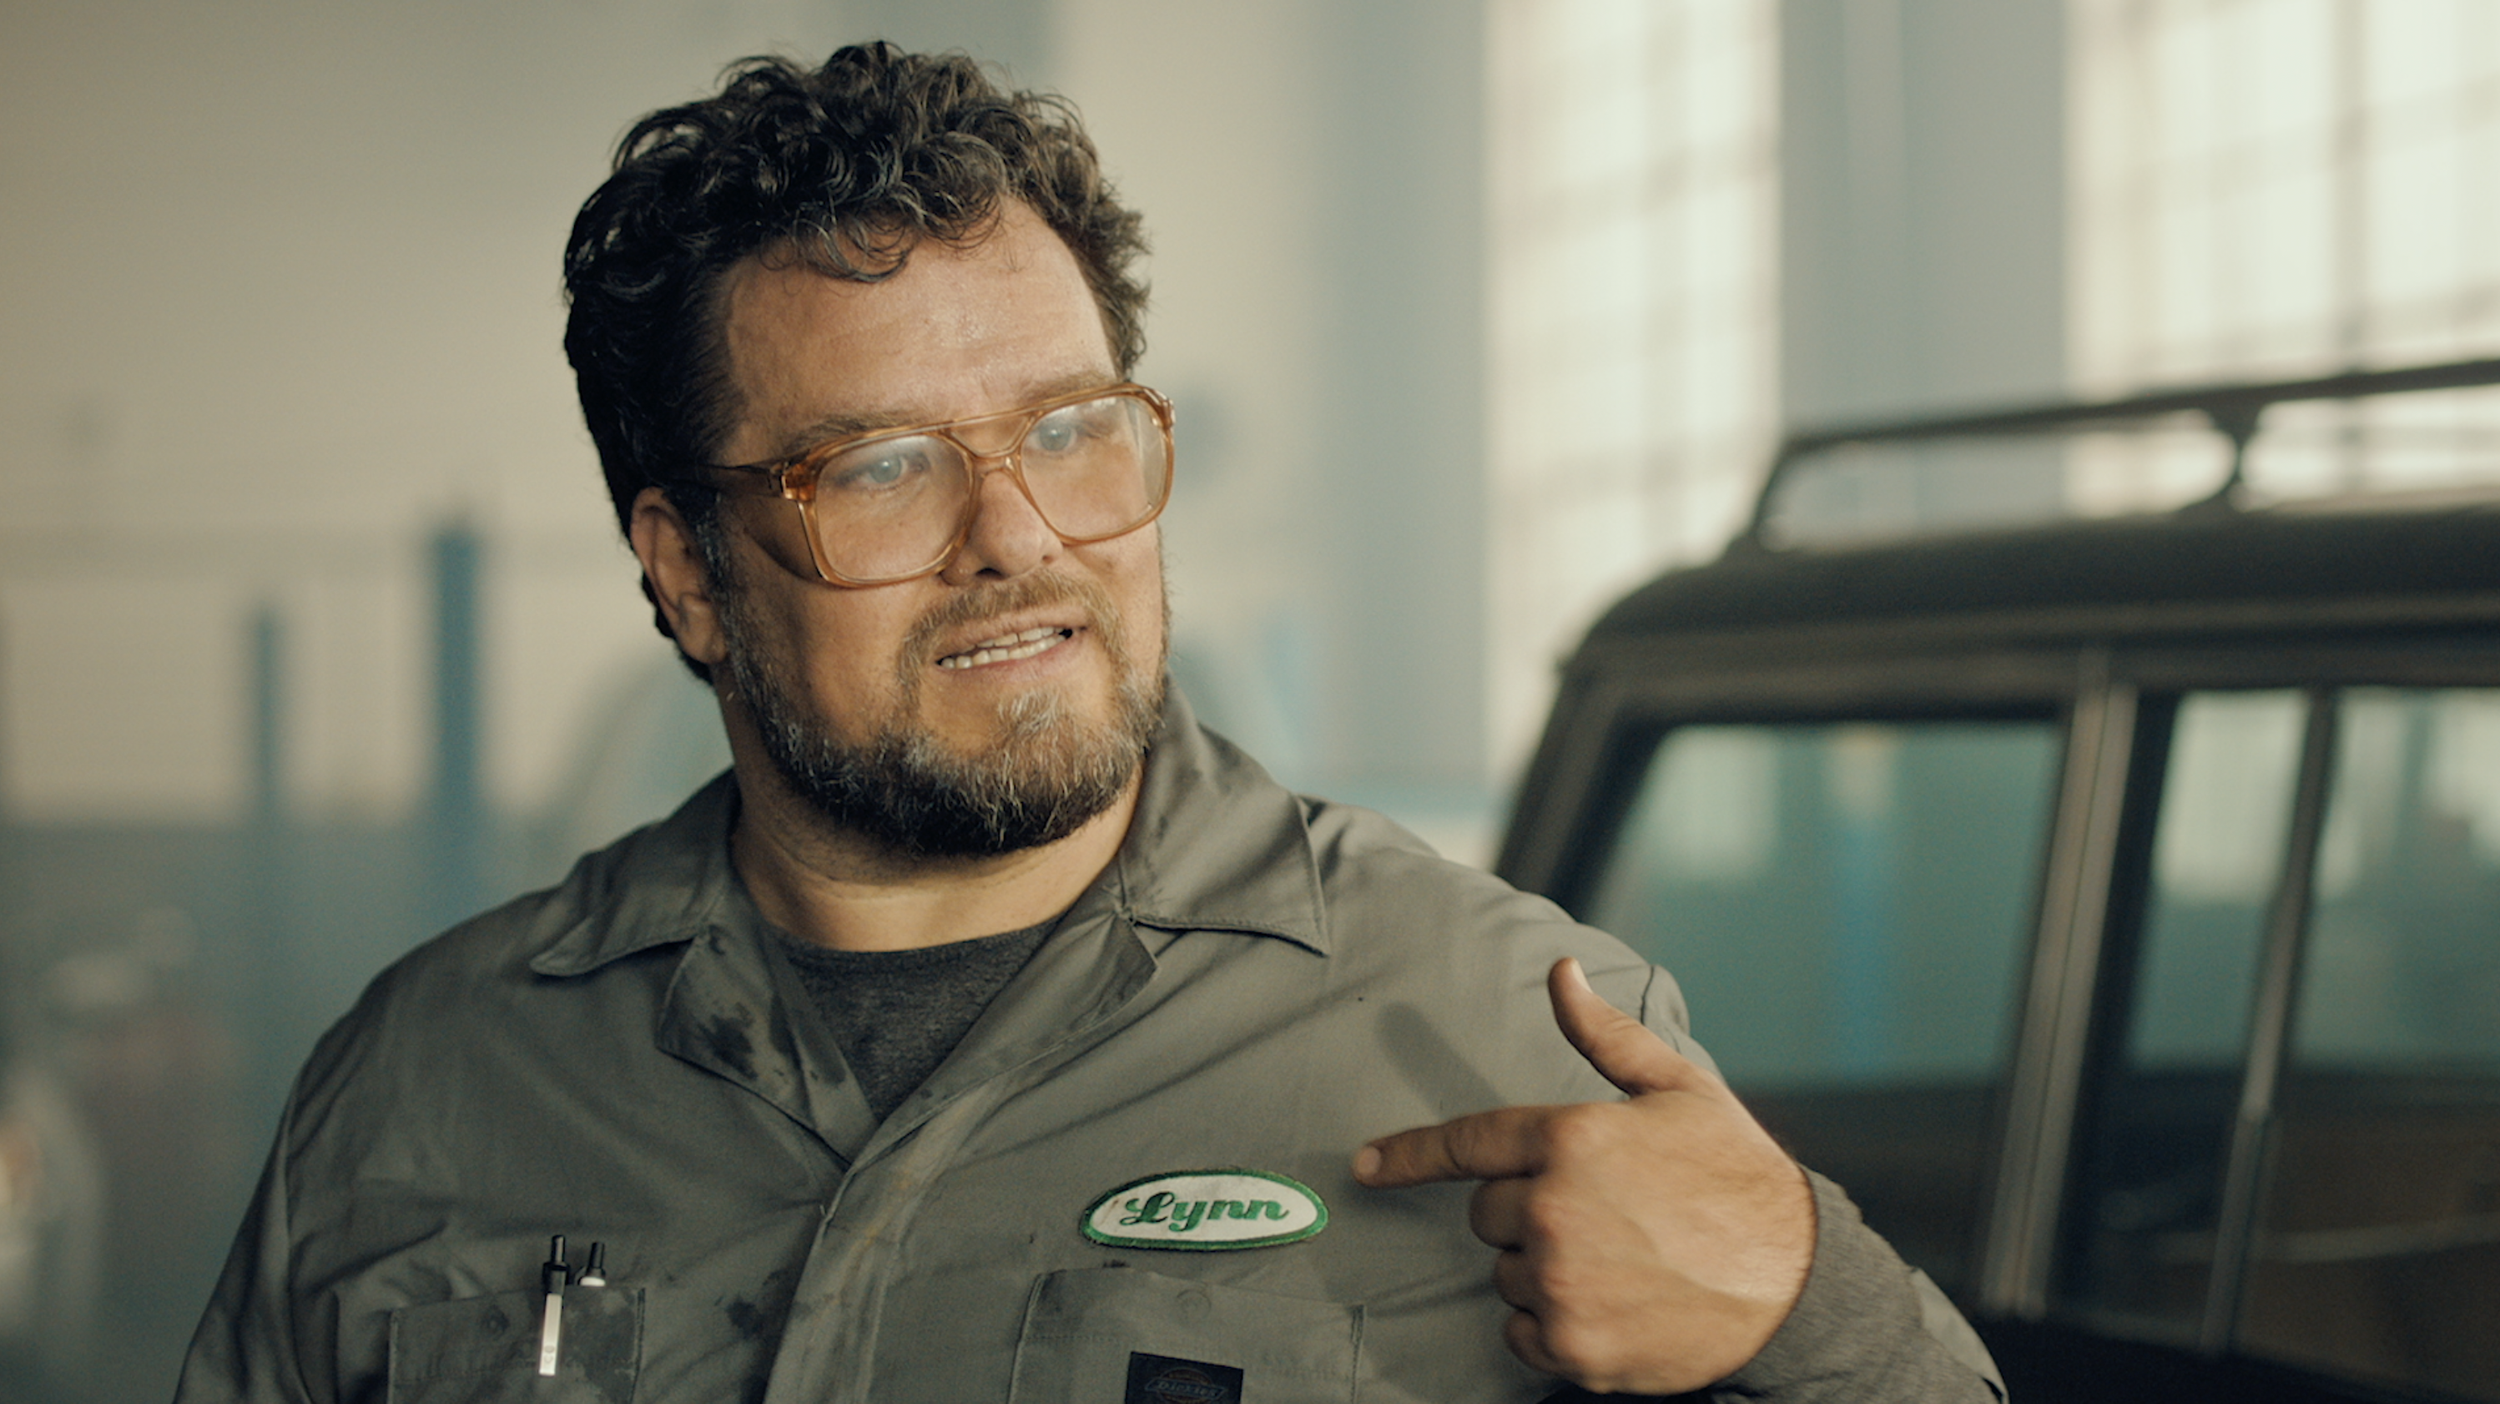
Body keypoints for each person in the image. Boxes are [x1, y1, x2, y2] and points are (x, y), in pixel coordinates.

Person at [177, 44, 2002, 1404]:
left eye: (1069, 431)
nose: (1020, 538)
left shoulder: (1507, 1044)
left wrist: (1807, 1305)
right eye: (882, 466)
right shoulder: (430, 1083)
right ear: (689, 571)